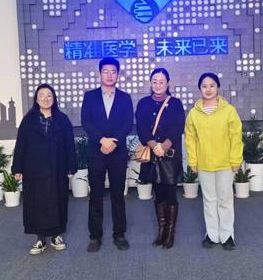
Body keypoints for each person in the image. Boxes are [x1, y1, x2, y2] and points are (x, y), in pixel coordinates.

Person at [12, 84, 77, 255]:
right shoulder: (28, 120)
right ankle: (40, 238)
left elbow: (70, 145)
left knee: (58, 199)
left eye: (49, 95)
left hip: (57, 167)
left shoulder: (62, 119)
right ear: (36, 99)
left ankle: (56, 236)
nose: (45, 98)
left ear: (54, 98)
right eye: (41, 95)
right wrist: (17, 168)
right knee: (37, 201)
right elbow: (21, 145)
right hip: (34, 169)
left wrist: (71, 166)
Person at [184, 72, 243, 250]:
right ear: (199, 89)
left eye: (212, 85)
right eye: (204, 86)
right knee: (209, 200)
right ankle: (212, 234)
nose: (208, 89)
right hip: (204, 164)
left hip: (225, 163)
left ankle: (227, 235)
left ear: (218, 87)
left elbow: (235, 137)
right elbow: (190, 139)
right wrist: (193, 160)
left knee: (225, 199)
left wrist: (236, 159)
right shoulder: (193, 114)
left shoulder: (229, 111)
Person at [81, 57, 134, 252]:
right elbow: (86, 122)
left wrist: (113, 142)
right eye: (106, 71)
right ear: (99, 74)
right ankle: (95, 236)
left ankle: (119, 234)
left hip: (118, 153)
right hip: (96, 152)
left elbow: (127, 123)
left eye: (113, 71)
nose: (110, 75)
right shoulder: (90, 96)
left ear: (118, 75)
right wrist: (102, 140)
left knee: (118, 195)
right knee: (95, 194)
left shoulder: (125, 97)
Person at [135, 68, 185, 249]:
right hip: (152, 156)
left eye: (161, 82)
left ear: (168, 83)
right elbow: (141, 127)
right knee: (158, 195)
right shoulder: (143, 103)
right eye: (154, 82)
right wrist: (153, 145)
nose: (158, 85)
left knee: (170, 195)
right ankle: (161, 231)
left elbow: (178, 127)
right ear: (150, 83)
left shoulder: (176, 103)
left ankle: (170, 232)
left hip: (170, 156)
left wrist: (163, 146)